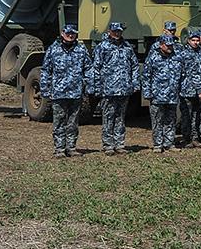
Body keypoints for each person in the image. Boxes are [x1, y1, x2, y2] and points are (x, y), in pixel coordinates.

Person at [40, 23, 92, 157]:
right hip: (59, 92)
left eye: (73, 33)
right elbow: (46, 70)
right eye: (68, 33)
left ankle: (71, 147)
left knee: (73, 122)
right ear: (62, 34)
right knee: (59, 121)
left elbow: (88, 68)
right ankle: (59, 149)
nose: (70, 35)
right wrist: (45, 88)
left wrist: (88, 85)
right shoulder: (53, 49)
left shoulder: (81, 49)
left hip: (76, 92)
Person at [91, 21, 139, 155]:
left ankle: (119, 144)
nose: (117, 33)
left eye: (119, 31)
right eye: (115, 31)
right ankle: (108, 145)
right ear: (109, 32)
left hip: (124, 89)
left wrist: (135, 83)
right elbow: (96, 68)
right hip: (108, 89)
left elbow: (134, 66)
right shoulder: (102, 47)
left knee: (120, 118)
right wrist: (97, 87)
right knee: (108, 117)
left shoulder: (127, 47)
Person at [141, 34, 182, 153]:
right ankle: (158, 144)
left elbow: (182, 75)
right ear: (161, 45)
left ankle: (169, 143)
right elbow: (146, 76)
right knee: (157, 121)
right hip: (157, 95)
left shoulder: (177, 57)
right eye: (167, 45)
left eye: (171, 45)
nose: (170, 47)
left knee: (171, 120)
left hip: (172, 95)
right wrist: (147, 93)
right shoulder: (153, 58)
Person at [176, 29, 201, 147]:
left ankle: (195, 138)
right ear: (188, 41)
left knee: (197, 116)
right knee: (186, 116)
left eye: (197, 40)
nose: (195, 42)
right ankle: (186, 138)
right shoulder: (183, 54)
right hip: (186, 90)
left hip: (200, 91)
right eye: (193, 40)